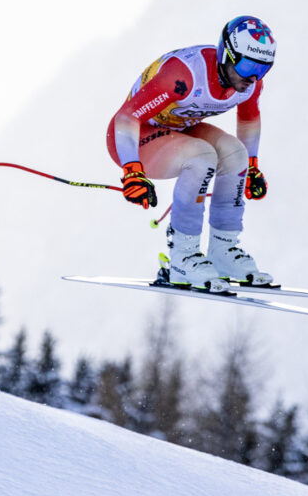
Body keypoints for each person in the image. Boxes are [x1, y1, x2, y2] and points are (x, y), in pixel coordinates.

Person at [105, 15, 276, 293]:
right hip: (133, 137)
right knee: (201, 156)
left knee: (236, 154)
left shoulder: (249, 84)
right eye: (247, 66)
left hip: (178, 128)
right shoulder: (183, 75)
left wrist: (253, 168)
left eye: (263, 69)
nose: (252, 78)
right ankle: (182, 256)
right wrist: (132, 170)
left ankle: (224, 250)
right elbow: (126, 118)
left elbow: (248, 121)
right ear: (227, 55)